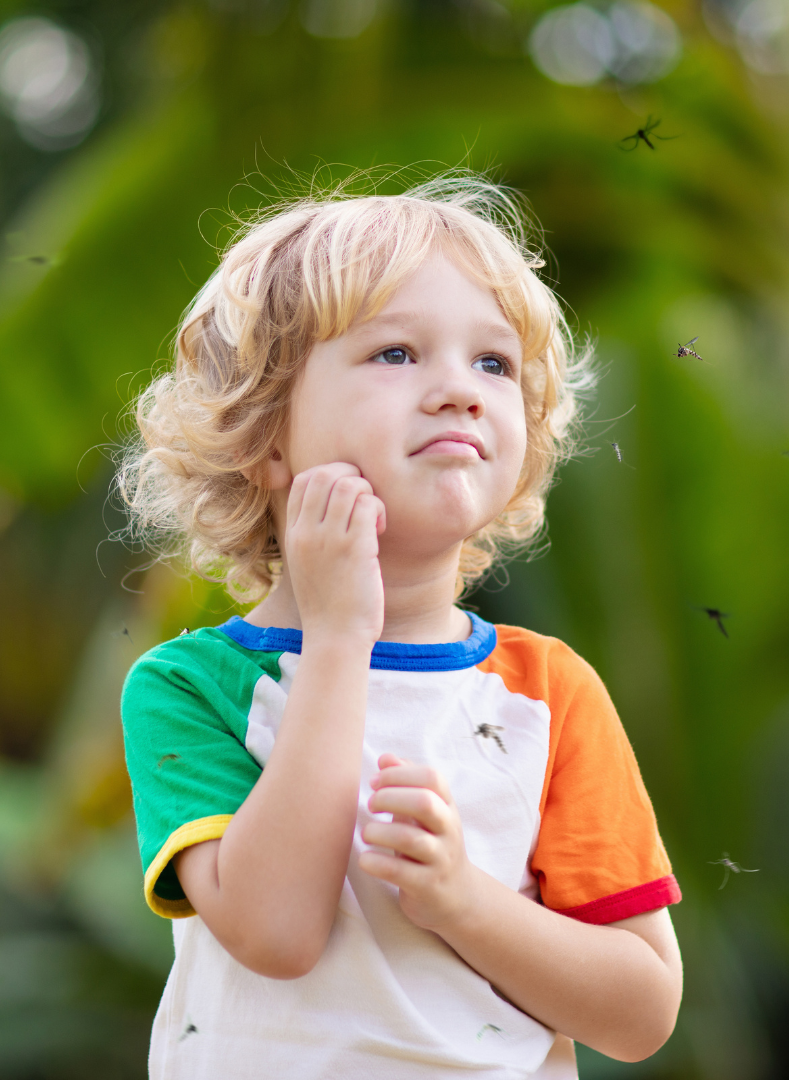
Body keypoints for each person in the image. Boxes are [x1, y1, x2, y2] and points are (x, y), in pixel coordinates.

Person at [119, 174, 683, 1079]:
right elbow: (275, 932)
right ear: (266, 435)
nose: (459, 390)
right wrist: (340, 639)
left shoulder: (550, 693)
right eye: (396, 353)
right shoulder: (188, 689)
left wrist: (462, 901)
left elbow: (641, 1012)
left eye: (493, 363)